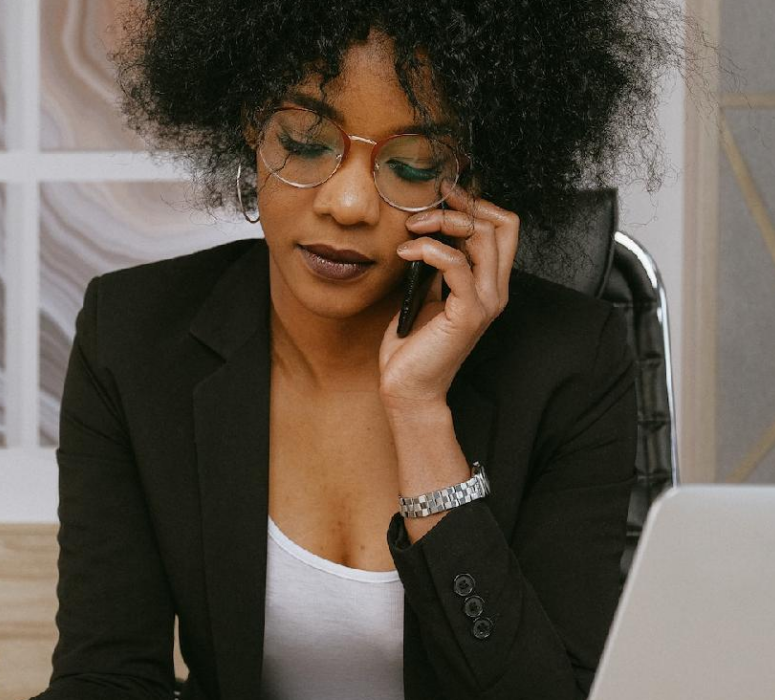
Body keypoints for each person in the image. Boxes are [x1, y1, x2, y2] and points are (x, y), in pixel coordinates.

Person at [35, 2, 687, 698]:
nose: (347, 204)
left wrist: (420, 412)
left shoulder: (571, 363)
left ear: (470, 177)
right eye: (307, 142)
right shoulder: (135, 337)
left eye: (411, 164)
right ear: (251, 124)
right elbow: (106, 677)